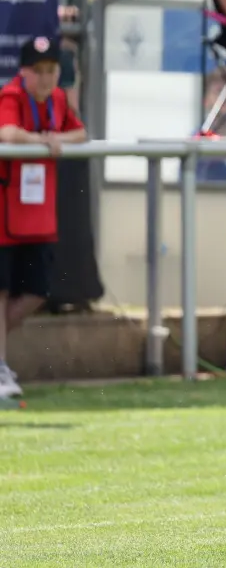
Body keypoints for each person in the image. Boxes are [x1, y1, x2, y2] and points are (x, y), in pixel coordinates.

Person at [0, 37, 88, 398]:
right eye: (38, 71)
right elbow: (6, 133)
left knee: (39, 290)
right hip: (6, 215)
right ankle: (2, 369)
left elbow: (81, 133)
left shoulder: (58, 100)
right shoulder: (11, 96)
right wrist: (41, 139)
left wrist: (58, 139)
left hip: (38, 217)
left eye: (51, 70)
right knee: (2, 292)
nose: (45, 78)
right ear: (24, 72)